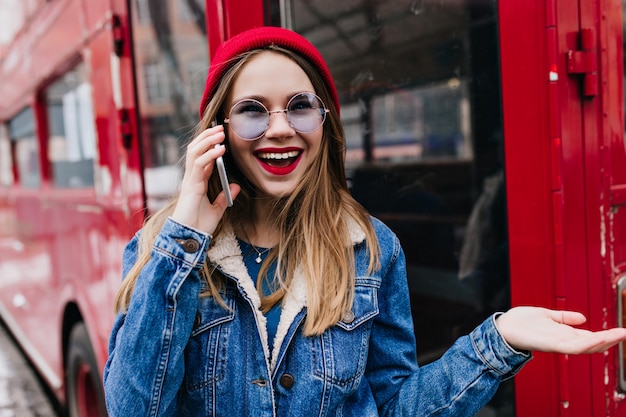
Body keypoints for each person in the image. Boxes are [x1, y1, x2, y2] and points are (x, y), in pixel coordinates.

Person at [103, 26, 626, 416]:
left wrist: (498, 340)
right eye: (253, 111)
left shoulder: (371, 248)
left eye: (300, 107)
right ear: (218, 131)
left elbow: (396, 406)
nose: (280, 129)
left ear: (325, 124)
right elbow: (132, 408)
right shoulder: (162, 249)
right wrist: (187, 236)